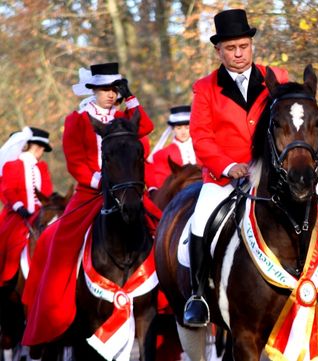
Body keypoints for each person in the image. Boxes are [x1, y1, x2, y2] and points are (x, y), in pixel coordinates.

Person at [183, 8, 318, 328]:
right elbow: (201, 136)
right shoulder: (205, 87)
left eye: (243, 46)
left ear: (251, 45)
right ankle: (197, 294)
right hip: (227, 174)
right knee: (201, 217)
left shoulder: (275, 76)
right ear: (218, 51)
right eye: (230, 48)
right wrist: (227, 165)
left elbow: (295, 116)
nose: (238, 54)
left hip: (274, 171)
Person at [22, 62, 161, 346]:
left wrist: (131, 97)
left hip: (125, 191)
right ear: (93, 90)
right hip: (90, 191)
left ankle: (174, 299)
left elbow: (146, 127)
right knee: (57, 241)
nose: (111, 95)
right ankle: (55, 308)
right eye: (105, 89)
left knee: (163, 227)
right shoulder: (77, 119)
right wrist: (98, 181)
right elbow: (75, 161)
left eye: (115, 89)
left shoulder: (124, 116)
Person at [0, 127, 53, 286]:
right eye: (41, 147)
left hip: (41, 213)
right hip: (19, 214)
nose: (42, 151)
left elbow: (47, 191)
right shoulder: (13, 165)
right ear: (35, 146)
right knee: (12, 240)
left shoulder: (42, 167)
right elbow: (8, 189)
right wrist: (19, 206)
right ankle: (7, 280)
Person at [148, 105, 198, 188]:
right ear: (173, 129)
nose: (183, 132)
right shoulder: (162, 154)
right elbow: (162, 183)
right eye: (179, 128)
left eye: (187, 127)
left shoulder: (201, 149)